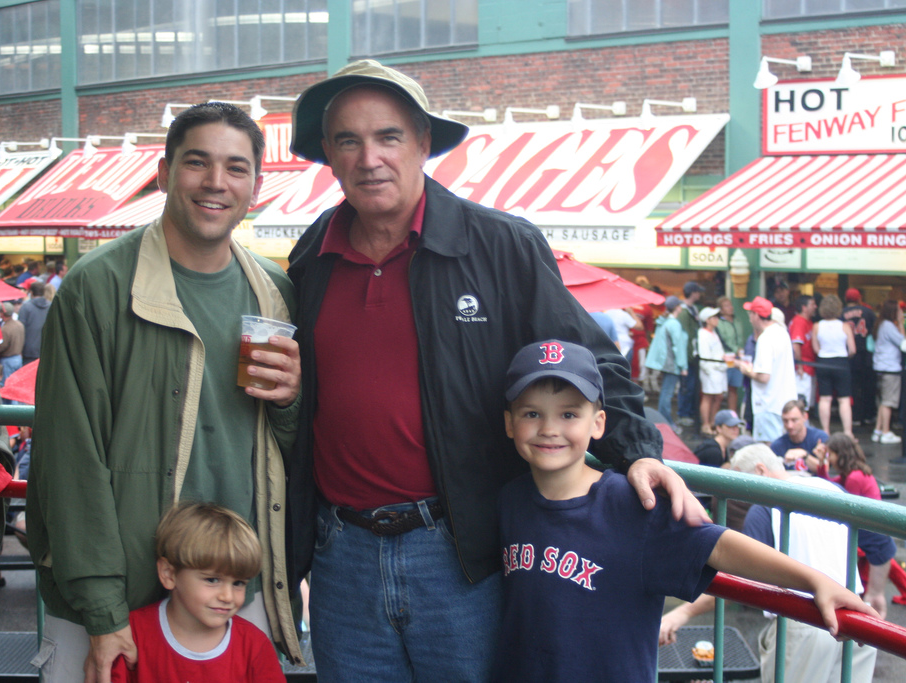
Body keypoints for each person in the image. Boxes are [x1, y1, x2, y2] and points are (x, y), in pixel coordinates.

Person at [284, 60, 703, 682]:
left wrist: (637, 451)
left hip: (460, 553)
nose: (369, 157)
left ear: (424, 144)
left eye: (389, 136)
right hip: (340, 557)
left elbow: (593, 360)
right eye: (348, 139)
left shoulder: (501, 245)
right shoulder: (311, 256)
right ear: (329, 153)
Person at [26, 102, 304, 683]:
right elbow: (70, 461)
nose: (215, 183)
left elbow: (288, 448)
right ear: (162, 173)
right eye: (196, 162)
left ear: (256, 184)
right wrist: (102, 614)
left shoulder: (274, 292)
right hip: (118, 599)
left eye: (236, 168)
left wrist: (289, 402)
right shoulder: (96, 288)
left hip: (230, 591)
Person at [494, 341, 876, 682]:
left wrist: (816, 582)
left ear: (598, 423)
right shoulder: (508, 500)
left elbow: (719, 546)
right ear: (510, 424)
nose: (549, 429)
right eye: (531, 414)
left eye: (568, 414)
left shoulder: (630, 502)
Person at [661, 444, 893, 683]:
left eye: (740, 480)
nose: (736, 494)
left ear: (760, 470)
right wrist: (875, 593)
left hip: (804, 619)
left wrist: (683, 612)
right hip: (857, 618)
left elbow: (740, 578)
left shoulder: (763, 509)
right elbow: (882, 545)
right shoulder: (833, 489)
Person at [110, 503, 285, 683]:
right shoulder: (132, 635)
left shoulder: (254, 645)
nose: (227, 597)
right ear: (169, 574)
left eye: (238, 583)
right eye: (212, 580)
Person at [738, 296, 797, 442]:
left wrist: (745, 369)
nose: (750, 319)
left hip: (768, 405)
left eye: (750, 314)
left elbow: (764, 376)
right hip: (785, 403)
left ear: (756, 316)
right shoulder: (782, 333)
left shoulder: (765, 338)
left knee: (768, 452)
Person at [812, 294, 856, 437]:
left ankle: (825, 431)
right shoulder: (845, 326)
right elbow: (852, 349)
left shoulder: (817, 326)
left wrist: (825, 354)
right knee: (844, 399)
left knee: (825, 398)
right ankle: (848, 432)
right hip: (841, 363)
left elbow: (815, 348)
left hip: (823, 362)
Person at [645, 296, 688, 431]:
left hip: (665, 363)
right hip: (671, 364)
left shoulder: (664, 322)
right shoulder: (674, 324)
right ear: (677, 308)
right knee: (667, 394)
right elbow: (678, 346)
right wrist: (683, 366)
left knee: (665, 393)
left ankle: (664, 422)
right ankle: (667, 424)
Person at [843, 288, 877, 426]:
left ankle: (855, 416)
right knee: (868, 387)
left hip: (850, 355)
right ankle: (869, 415)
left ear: (846, 299)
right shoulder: (868, 312)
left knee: (853, 387)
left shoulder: (841, 313)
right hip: (866, 355)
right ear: (858, 298)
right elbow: (876, 330)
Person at [872, 299, 905, 444]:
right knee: (888, 402)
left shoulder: (881, 324)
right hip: (890, 368)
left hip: (881, 367)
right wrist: (901, 324)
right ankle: (886, 432)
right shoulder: (889, 326)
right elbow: (904, 344)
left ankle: (878, 431)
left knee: (883, 401)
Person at [816, 432, 880, 500]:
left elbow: (849, 507)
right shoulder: (850, 473)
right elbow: (828, 485)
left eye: (830, 454)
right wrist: (821, 461)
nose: (828, 459)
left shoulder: (854, 478)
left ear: (840, 455)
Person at [771, 399, 828, 472]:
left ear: (805, 417)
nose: (789, 426)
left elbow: (825, 469)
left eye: (794, 420)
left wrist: (805, 455)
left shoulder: (819, 438)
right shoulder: (777, 445)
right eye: (785, 421)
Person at [676, 281, 704, 426]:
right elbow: (684, 336)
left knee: (692, 386)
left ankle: (689, 412)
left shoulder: (692, 309)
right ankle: (683, 414)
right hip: (687, 357)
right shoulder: (684, 311)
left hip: (692, 356)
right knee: (686, 386)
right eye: (697, 291)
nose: (699, 294)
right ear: (692, 293)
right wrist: (685, 359)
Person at [697, 306, 726, 435]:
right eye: (713, 317)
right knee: (708, 396)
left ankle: (713, 422)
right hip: (710, 370)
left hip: (719, 369)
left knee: (718, 396)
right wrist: (710, 369)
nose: (717, 319)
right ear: (707, 320)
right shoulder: (703, 333)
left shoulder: (714, 333)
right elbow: (704, 355)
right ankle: (705, 424)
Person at [715, 296, 745, 412]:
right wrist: (735, 349)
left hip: (738, 358)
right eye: (727, 306)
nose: (730, 308)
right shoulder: (719, 323)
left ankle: (732, 414)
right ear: (721, 309)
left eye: (730, 305)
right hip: (726, 358)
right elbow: (722, 340)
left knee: (734, 388)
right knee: (720, 391)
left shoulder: (737, 321)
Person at [788, 294, 818, 409]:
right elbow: (796, 345)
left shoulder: (808, 322)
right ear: (804, 307)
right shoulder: (799, 321)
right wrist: (800, 366)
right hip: (802, 369)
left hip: (808, 367)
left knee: (806, 401)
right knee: (801, 402)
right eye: (812, 304)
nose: (815, 307)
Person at [17, 281, 51, 366]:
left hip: (28, 350)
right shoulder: (50, 306)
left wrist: (19, 349)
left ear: (31, 292)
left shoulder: (26, 306)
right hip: (46, 349)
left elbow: (20, 329)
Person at [0, 301, 25, 381]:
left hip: (7, 361)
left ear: (2, 314)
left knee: (6, 384)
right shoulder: (19, 324)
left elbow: (1, 347)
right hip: (18, 358)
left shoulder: (5, 329)